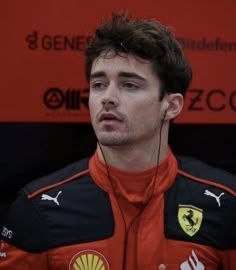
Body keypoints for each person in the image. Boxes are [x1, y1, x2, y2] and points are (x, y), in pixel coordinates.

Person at [1, 11, 235, 270]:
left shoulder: (226, 203)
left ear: (171, 106)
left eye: (129, 85)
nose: (107, 97)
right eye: (99, 84)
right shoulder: (37, 208)